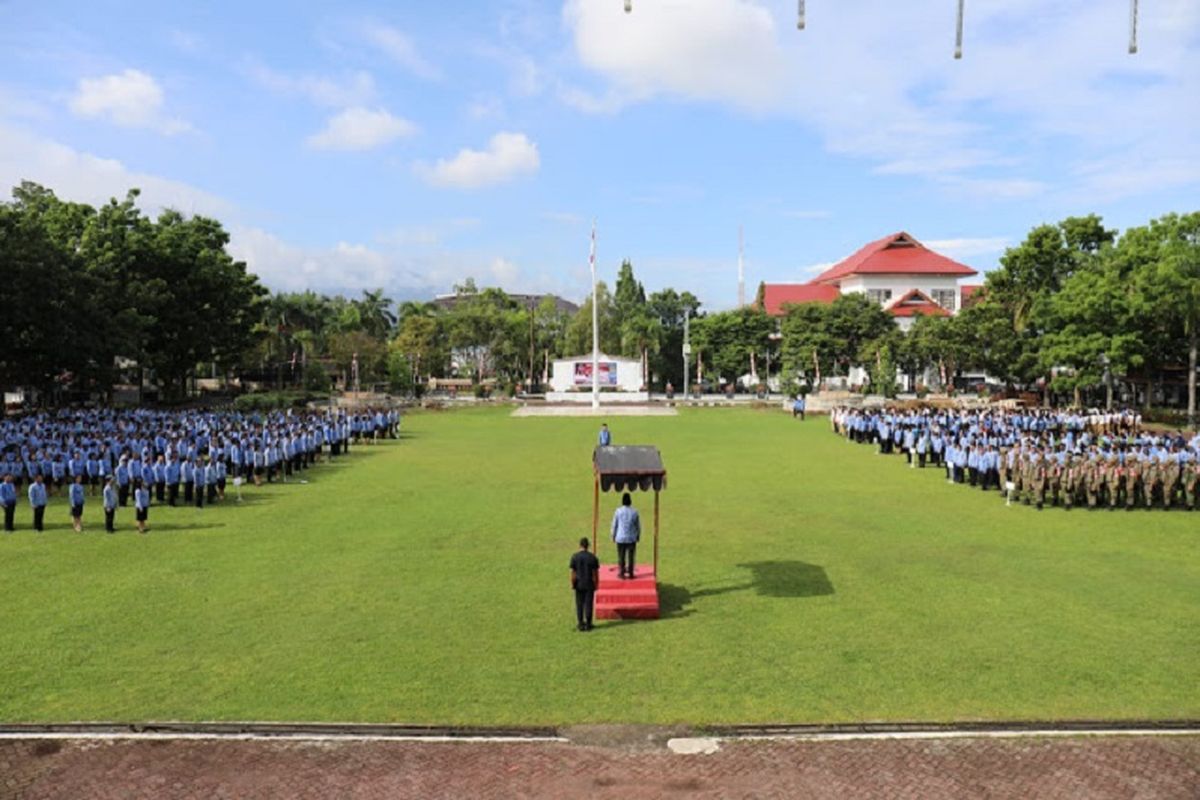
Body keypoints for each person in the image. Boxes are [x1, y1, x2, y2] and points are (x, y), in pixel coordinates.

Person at [569, 536, 600, 632]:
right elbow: (595, 573)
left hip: (579, 583)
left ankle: (580, 623)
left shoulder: (575, 557)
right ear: (588, 546)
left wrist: (572, 583)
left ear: (580, 545)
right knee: (588, 604)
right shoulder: (592, 557)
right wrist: (596, 583)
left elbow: (573, 572)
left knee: (579, 604)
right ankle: (589, 623)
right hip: (589, 583)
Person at [611, 492, 641, 579]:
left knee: (621, 556)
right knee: (631, 556)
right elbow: (637, 526)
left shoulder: (618, 511)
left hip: (620, 537)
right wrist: (638, 535)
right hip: (631, 537)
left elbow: (614, 524)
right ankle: (631, 573)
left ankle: (622, 573)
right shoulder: (634, 511)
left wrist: (613, 535)